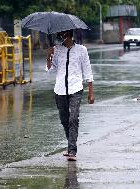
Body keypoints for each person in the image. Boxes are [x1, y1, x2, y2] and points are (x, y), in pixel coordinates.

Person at [46, 29, 94, 161]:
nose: (60, 36)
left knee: (73, 118)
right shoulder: (57, 50)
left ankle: (72, 150)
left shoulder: (81, 50)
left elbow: (87, 71)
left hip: (76, 89)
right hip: (60, 89)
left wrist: (91, 92)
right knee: (64, 120)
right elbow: (51, 70)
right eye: (59, 34)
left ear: (69, 35)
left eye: (63, 34)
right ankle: (70, 144)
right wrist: (48, 56)